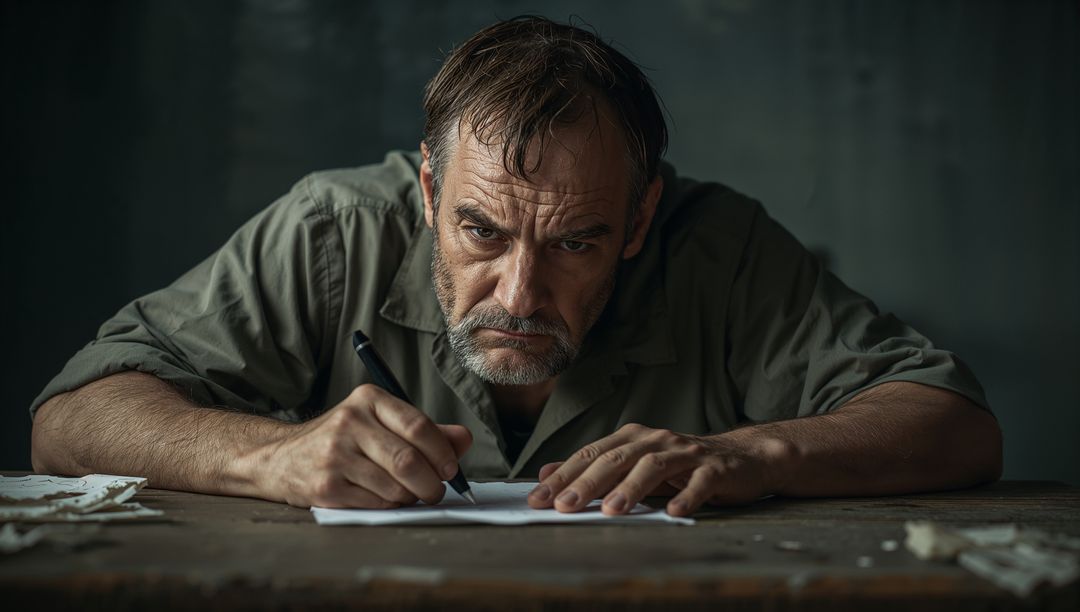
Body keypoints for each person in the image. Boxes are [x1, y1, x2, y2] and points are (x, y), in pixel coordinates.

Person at [29, 16, 1002, 518]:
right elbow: (70, 420)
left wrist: (753, 455)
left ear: (640, 217)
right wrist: (266, 457)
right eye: (482, 232)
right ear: (426, 192)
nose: (520, 294)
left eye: (576, 241)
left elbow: (954, 423)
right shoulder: (333, 230)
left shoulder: (720, 247)